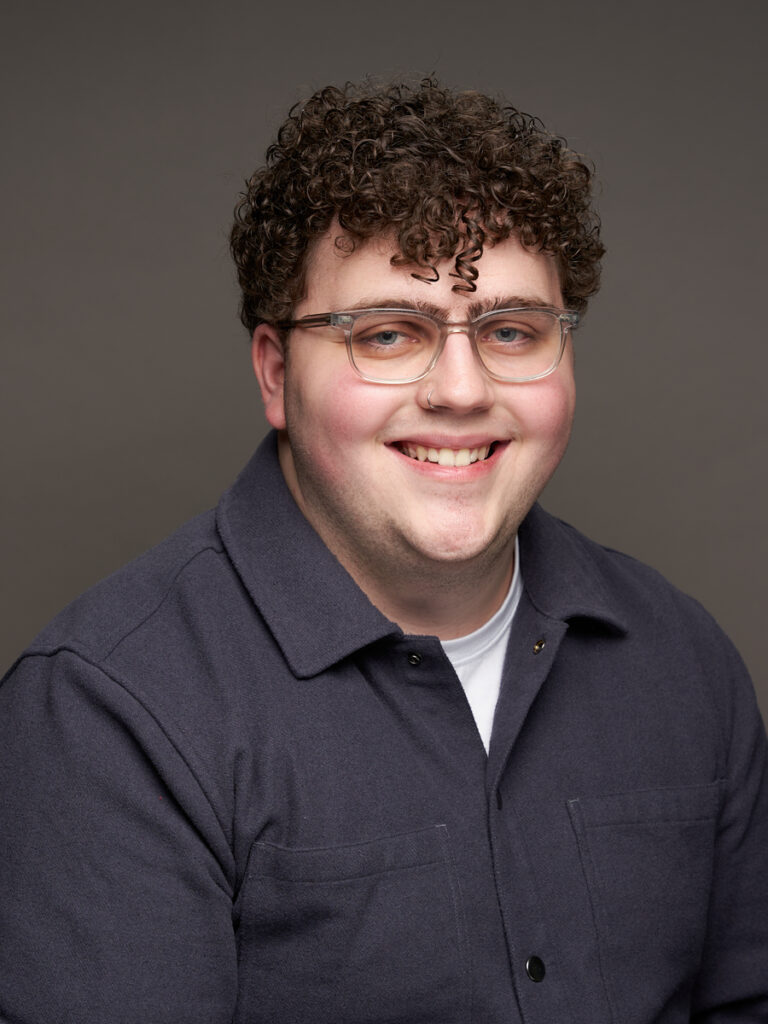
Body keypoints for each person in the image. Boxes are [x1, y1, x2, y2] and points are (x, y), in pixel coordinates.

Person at [1, 77, 766, 1024]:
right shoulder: (106, 713)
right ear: (277, 375)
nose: (459, 390)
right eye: (391, 333)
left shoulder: (683, 662)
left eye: (512, 331)